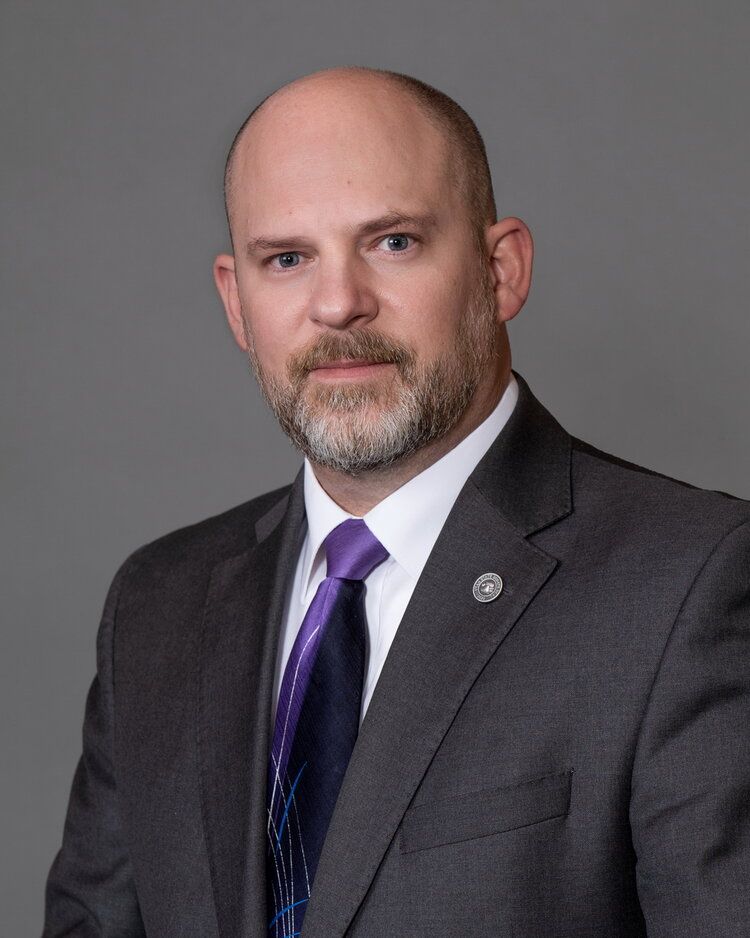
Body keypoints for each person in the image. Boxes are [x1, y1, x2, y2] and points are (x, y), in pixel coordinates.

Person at [43, 66, 750, 938]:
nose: (338, 304)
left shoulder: (694, 582)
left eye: (394, 243)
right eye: (288, 259)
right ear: (236, 302)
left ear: (501, 272)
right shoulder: (158, 605)